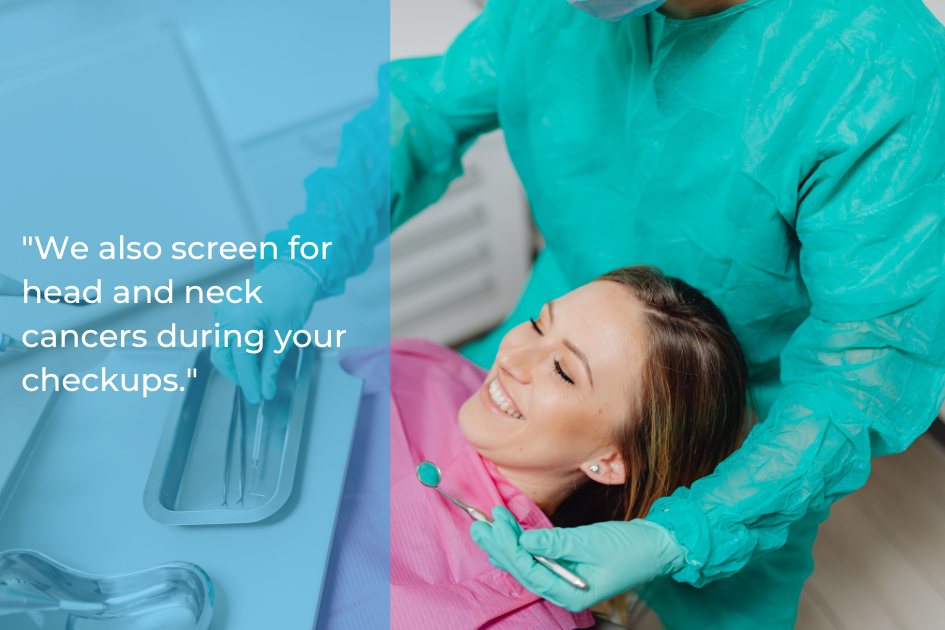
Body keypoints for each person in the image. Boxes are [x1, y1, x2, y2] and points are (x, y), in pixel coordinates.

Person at [212, 0, 945, 626]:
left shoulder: (873, 68)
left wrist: (686, 533)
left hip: (748, 421)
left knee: (720, 604)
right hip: (574, 316)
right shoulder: (490, 362)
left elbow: (868, 362)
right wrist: (304, 254)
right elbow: (426, 111)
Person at [383, 267, 747, 629]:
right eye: (538, 324)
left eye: (562, 371)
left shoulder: (527, 618)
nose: (510, 357)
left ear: (610, 461)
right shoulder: (424, 366)